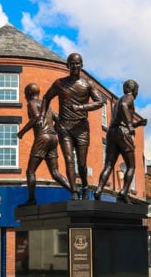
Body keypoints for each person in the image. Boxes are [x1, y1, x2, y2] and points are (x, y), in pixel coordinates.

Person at [41, 53, 104, 200]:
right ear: (67, 65)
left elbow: (100, 102)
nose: (75, 66)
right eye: (72, 63)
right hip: (64, 128)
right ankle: (74, 191)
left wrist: (81, 107)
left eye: (78, 63)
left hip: (81, 128)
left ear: (82, 65)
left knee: (82, 164)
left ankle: (85, 186)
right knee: (69, 160)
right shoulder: (59, 84)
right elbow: (46, 97)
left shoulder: (88, 84)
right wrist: (42, 116)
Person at [17, 83, 73, 205]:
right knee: (55, 173)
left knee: (30, 171)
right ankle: (75, 192)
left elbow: (36, 117)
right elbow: (58, 118)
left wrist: (22, 132)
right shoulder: (46, 105)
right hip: (53, 138)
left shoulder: (31, 103)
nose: (24, 95)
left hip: (43, 137)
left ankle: (31, 200)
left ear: (29, 93)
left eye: (25, 92)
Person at [93, 79, 147, 203]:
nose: (137, 93)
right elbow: (124, 107)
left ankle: (99, 189)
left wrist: (137, 123)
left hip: (111, 132)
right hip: (123, 132)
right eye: (137, 90)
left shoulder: (117, 101)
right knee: (131, 166)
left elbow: (120, 115)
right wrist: (130, 126)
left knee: (109, 165)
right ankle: (123, 192)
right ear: (133, 90)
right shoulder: (129, 98)